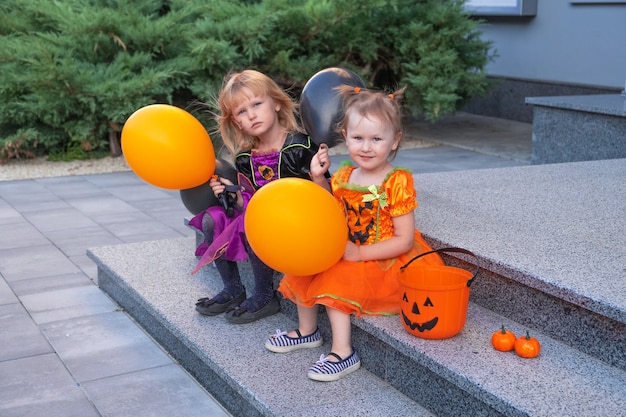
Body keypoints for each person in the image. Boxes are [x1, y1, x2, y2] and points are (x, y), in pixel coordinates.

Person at [264, 85, 444, 381]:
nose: (366, 147)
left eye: (376, 139)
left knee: (338, 279)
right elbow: (331, 209)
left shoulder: (395, 182)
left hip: (382, 255)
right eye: (358, 138)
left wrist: (359, 253)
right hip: (346, 247)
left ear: (394, 140)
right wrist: (318, 178)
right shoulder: (346, 175)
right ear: (345, 137)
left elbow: (405, 239)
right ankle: (307, 332)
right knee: (303, 269)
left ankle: (343, 352)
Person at [189, 69, 327, 324]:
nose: (251, 114)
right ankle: (233, 288)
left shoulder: (300, 146)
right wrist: (231, 193)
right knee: (212, 219)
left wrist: (318, 177)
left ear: (275, 103)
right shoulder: (244, 158)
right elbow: (247, 202)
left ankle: (264, 294)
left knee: (254, 221)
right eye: (241, 112)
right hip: (260, 219)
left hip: (297, 223)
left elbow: (327, 199)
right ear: (236, 122)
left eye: (256, 104)